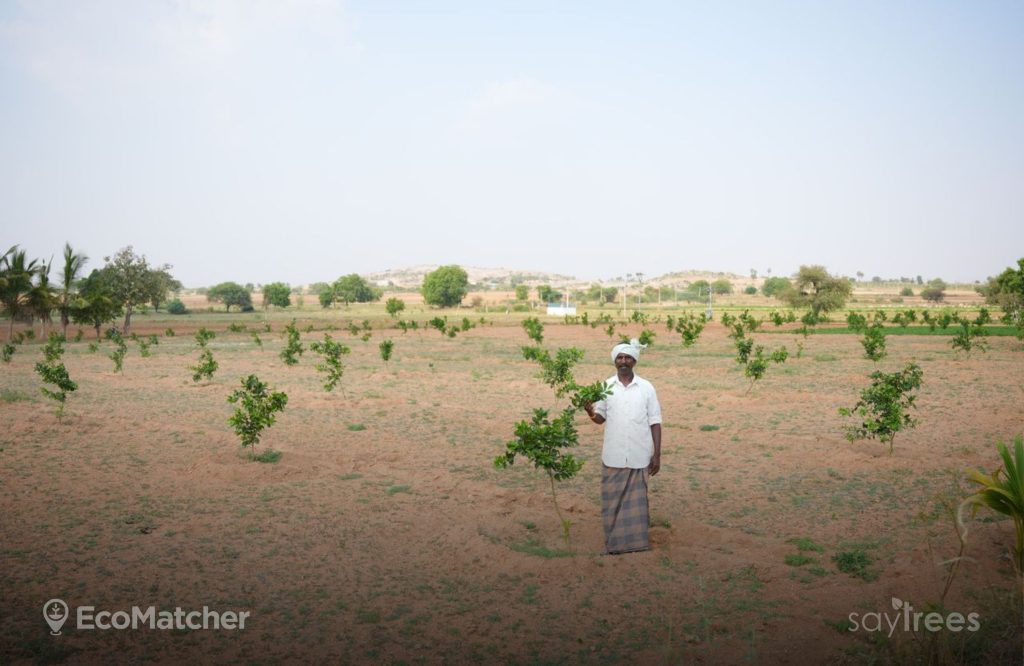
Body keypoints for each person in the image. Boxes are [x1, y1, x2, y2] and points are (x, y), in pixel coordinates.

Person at [584, 338, 662, 554]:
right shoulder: (606, 386)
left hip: (639, 454)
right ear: (615, 361)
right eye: (620, 357)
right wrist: (590, 412)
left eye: (628, 357)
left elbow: (655, 421)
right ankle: (614, 545)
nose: (624, 361)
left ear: (634, 361)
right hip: (613, 455)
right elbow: (600, 418)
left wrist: (657, 455)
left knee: (637, 503)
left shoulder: (646, 388)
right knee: (612, 502)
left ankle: (636, 544)